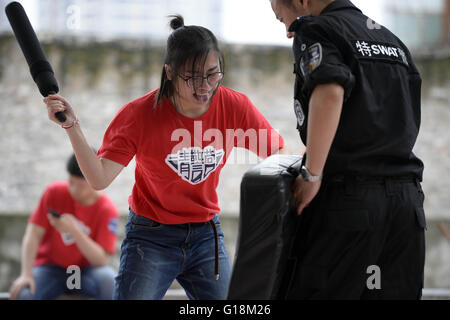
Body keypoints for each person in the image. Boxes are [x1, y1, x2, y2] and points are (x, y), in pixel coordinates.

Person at [43, 15, 287, 300]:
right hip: (151, 236)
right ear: (169, 73)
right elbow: (98, 178)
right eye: (192, 77)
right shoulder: (140, 115)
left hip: (206, 234)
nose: (205, 86)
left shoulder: (234, 106)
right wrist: (72, 126)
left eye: (212, 73)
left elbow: (279, 153)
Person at [270, 0, 426, 299]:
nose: (291, 34)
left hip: (350, 205)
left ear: (302, 1)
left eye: (284, 21)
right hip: (406, 207)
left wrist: (312, 174)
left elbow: (329, 91)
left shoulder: (318, 29)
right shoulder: (391, 41)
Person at [9, 153, 119, 300]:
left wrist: (75, 231)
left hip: (87, 271)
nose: (74, 190)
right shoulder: (54, 192)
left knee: (111, 283)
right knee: (25, 293)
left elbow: (101, 261)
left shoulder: (107, 210)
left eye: (81, 185)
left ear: (94, 183)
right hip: (50, 268)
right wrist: (26, 274)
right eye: (71, 182)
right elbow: (33, 234)